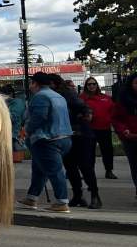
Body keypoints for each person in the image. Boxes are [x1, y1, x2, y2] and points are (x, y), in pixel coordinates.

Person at [18, 73, 73, 212]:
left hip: (46, 139)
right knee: (39, 170)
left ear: (35, 83)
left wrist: (27, 130)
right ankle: (32, 198)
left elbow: (39, 117)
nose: (30, 86)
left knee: (54, 171)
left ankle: (62, 201)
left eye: (31, 83)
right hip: (63, 136)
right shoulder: (58, 96)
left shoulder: (40, 97)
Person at [51, 76, 99, 208]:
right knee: (70, 167)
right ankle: (78, 195)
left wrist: (84, 116)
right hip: (66, 135)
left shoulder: (67, 94)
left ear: (53, 84)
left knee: (85, 166)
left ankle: (95, 195)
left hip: (80, 135)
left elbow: (83, 107)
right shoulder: (54, 96)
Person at [81, 77, 117, 180]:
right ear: (86, 86)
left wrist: (111, 120)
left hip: (104, 128)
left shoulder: (105, 97)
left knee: (107, 150)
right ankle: (89, 172)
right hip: (89, 129)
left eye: (93, 84)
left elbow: (113, 111)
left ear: (97, 85)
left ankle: (109, 171)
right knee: (89, 152)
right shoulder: (82, 98)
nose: (91, 86)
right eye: (89, 84)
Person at [112, 73, 137, 199]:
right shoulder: (123, 100)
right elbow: (116, 119)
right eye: (136, 83)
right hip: (131, 138)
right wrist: (124, 130)